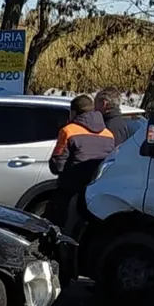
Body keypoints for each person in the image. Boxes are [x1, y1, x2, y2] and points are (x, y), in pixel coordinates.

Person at [47, 94, 115, 229]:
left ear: (73, 112)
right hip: (97, 190)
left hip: (71, 190)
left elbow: (57, 165)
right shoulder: (109, 134)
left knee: (56, 222)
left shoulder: (68, 131)